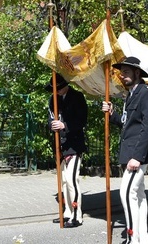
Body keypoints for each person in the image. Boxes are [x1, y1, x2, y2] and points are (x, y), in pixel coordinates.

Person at [102, 56, 148, 244]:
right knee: (139, 195)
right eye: (121, 72)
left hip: (137, 155)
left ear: (137, 73)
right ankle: (142, 238)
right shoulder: (131, 95)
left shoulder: (147, 94)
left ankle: (131, 237)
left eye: (126, 71)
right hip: (130, 152)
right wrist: (113, 114)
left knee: (126, 193)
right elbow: (128, 124)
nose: (122, 75)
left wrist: (137, 156)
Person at [46, 74, 88, 228]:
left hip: (74, 145)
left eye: (58, 88)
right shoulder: (53, 100)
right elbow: (50, 118)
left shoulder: (77, 97)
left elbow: (81, 120)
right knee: (63, 181)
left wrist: (64, 125)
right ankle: (68, 212)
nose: (56, 91)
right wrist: (52, 125)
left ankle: (77, 215)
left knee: (71, 180)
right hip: (60, 146)